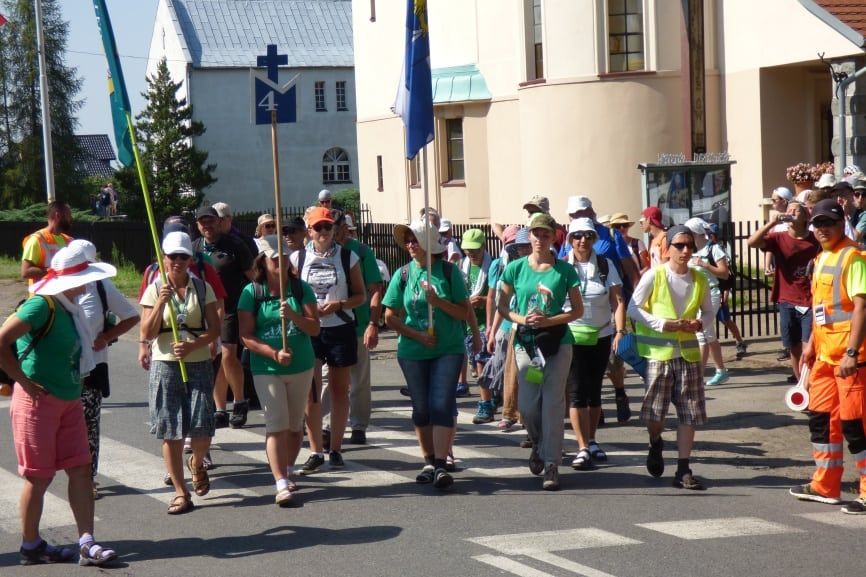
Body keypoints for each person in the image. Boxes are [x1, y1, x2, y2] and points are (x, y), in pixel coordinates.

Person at [0, 244, 119, 566]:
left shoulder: (70, 307)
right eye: (86, 277)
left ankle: (87, 543)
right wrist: (23, 381)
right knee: (39, 478)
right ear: (72, 279)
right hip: (37, 403)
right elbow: (1, 340)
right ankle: (31, 546)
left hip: (68, 399)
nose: (89, 283)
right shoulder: (42, 305)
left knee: (81, 469)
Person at [792, 199, 866, 514]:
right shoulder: (821, 257)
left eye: (829, 223)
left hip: (851, 360)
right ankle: (825, 486)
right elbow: (823, 310)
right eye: (818, 224)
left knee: (856, 426)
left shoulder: (853, 257)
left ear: (841, 224)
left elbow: (862, 307)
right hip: (824, 356)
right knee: (821, 420)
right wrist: (810, 343)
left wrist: (851, 352)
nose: (822, 229)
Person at [498, 212, 582, 491]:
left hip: (557, 343)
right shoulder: (515, 268)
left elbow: (577, 310)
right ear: (530, 235)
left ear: (553, 237)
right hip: (527, 345)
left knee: (553, 403)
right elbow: (502, 306)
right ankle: (538, 442)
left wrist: (550, 320)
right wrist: (522, 319)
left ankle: (552, 464)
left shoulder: (565, 271)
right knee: (529, 405)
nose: (540, 239)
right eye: (536, 233)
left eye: (546, 234)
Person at [383, 220, 470, 489]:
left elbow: (463, 312)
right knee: (421, 408)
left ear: (428, 243)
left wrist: (438, 302)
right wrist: (417, 335)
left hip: (448, 348)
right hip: (412, 350)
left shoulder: (449, 272)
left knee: (441, 404)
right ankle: (429, 461)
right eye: (408, 240)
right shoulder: (403, 274)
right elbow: (389, 316)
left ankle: (442, 463)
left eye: (415, 240)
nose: (410, 245)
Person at [140, 231, 221, 514]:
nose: (177, 261)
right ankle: (180, 491)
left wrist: (193, 345)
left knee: (202, 425)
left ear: (190, 259)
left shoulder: (202, 287)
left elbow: (215, 329)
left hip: (198, 361)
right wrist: (160, 303)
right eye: (172, 256)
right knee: (171, 428)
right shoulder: (155, 288)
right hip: (165, 363)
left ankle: (197, 462)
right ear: (164, 258)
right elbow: (146, 331)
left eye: (183, 257)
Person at [628, 225, 715, 491]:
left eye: (689, 245)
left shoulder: (699, 278)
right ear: (667, 249)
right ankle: (655, 441)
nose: (685, 251)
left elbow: (709, 312)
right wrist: (662, 324)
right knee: (655, 413)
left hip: (688, 354)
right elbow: (633, 308)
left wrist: (699, 324)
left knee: (689, 412)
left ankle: (683, 468)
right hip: (659, 355)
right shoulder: (654, 275)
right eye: (679, 245)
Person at [238, 234, 319, 507]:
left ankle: (288, 468)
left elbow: (314, 328)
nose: (281, 262)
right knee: (276, 424)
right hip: (267, 367)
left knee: (295, 426)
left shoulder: (300, 289)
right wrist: (273, 353)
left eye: (284, 256)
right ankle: (280, 481)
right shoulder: (252, 292)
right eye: (275, 258)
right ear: (263, 261)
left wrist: (294, 316)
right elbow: (246, 336)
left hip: (301, 365)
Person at [291, 206, 365, 472]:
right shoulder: (297, 258)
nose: (323, 231)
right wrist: (304, 311)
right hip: (310, 329)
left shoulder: (347, 256)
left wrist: (339, 304)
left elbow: (361, 295)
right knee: (311, 392)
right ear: (309, 231)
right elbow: (290, 293)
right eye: (318, 227)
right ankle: (315, 450)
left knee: (338, 390)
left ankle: (335, 448)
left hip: (340, 327)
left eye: (327, 227)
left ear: (334, 229)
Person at [68, 240, 140, 500]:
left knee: (88, 425)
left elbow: (131, 316)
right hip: (61, 370)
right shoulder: (56, 288)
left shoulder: (100, 285)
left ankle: (88, 478)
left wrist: (106, 337)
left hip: (93, 367)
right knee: (62, 426)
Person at [564, 218, 625, 470]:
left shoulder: (605, 264)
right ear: (570, 239)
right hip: (572, 335)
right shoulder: (562, 266)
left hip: (601, 335)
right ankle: (581, 447)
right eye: (578, 235)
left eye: (588, 235)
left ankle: (591, 440)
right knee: (577, 391)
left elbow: (618, 301)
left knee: (594, 390)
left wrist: (620, 331)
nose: (583, 240)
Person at [324, 209, 383, 446]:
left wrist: (373, 324)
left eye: (332, 227)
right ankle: (327, 426)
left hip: (357, 325)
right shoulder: (317, 251)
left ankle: (358, 425)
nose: (329, 232)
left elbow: (375, 289)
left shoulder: (361, 251)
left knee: (358, 379)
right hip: (326, 325)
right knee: (327, 378)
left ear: (343, 228)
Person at [193, 205, 256, 428]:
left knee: (228, 355)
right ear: (197, 225)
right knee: (215, 358)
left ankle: (239, 401)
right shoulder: (195, 248)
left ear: (219, 222)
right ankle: (220, 409)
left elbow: (253, 276)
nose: (207, 225)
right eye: (203, 222)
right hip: (204, 309)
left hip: (231, 307)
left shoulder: (235, 245)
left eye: (211, 221)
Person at [747, 200, 821, 384]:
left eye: (796, 210)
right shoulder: (779, 237)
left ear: (806, 216)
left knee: (809, 347)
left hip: (810, 299)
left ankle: (812, 385)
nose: (791, 213)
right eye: (789, 210)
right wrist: (771, 223)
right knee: (793, 348)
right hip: (787, 299)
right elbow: (751, 242)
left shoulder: (815, 239)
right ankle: (802, 385)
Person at [683, 217, 730, 386]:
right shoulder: (689, 250)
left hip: (711, 292)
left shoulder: (713, 248)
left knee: (702, 333)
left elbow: (724, 273)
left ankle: (699, 376)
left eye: (689, 232)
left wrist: (704, 265)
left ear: (696, 233)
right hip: (695, 294)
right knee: (708, 334)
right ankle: (720, 371)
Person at [459, 228, 493, 419]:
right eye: (468, 250)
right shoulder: (461, 266)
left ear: (483, 246)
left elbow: (501, 294)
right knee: (474, 361)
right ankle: (492, 397)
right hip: (465, 321)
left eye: (475, 249)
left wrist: (484, 299)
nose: (471, 253)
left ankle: (485, 403)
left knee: (482, 362)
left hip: (485, 323)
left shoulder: (493, 266)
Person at [706, 223, 748, 358]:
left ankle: (740, 342)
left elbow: (728, 276)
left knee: (725, 320)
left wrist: (725, 293)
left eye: (709, 235)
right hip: (706, 290)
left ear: (714, 236)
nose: (707, 237)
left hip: (718, 290)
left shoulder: (718, 250)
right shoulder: (702, 250)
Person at [21, 201, 73, 284]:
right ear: (58, 215)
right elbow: (25, 272)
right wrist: (55, 272)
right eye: (68, 215)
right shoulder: (36, 240)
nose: (71, 219)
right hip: (42, 291)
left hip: (63, 291)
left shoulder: (69, 240)